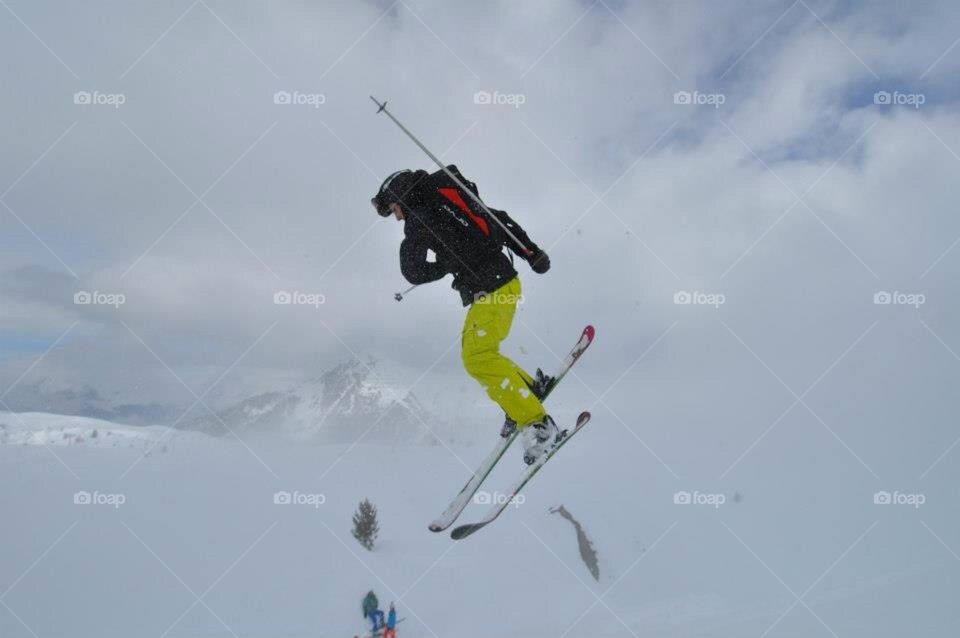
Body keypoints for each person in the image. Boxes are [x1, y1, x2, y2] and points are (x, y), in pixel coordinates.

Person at [372, 166, 559, 464]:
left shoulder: (418, 218)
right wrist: (532, 252)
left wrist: (444, 264)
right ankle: (525, 389)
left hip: (493, 290)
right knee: (478, 353)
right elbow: (500, 220)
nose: (397, 216)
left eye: (395, 209)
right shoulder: (452, 199)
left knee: (477, 357)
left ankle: (539, 425)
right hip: (500, 285)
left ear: (402, 199)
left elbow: (412, 271)